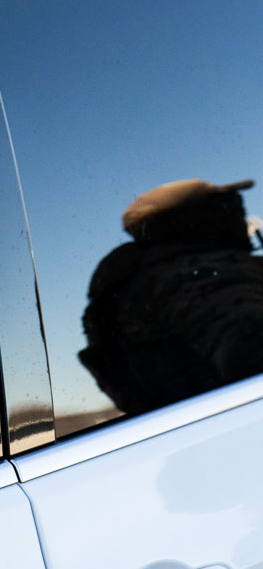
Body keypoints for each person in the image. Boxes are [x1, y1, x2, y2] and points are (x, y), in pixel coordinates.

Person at [79, 177, 263, 415]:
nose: (241, 211)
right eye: (229, 202)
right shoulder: (198, 275)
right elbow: (250, 350)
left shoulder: (148, 280)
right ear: (198, 217)